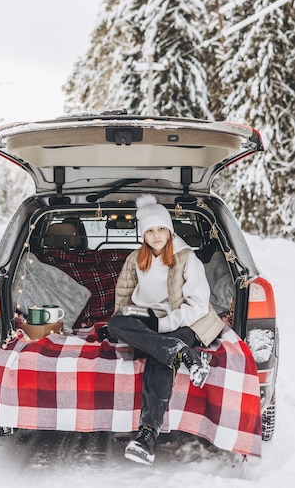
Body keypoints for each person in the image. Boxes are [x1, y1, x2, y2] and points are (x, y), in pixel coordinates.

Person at [106, 195, 225, 466]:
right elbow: (122, 299)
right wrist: (131, 322)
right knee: (115, 323)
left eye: (161, 229)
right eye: (149, 230)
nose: (156, 235)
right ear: (143, 234)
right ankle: (183, 355)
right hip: (148, 322)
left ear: (170, 230)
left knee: (161, 357)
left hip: (184, 322)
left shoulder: (187, 259)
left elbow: (198, 306)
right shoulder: (135, 260)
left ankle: (147, 435)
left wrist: (163, 326)